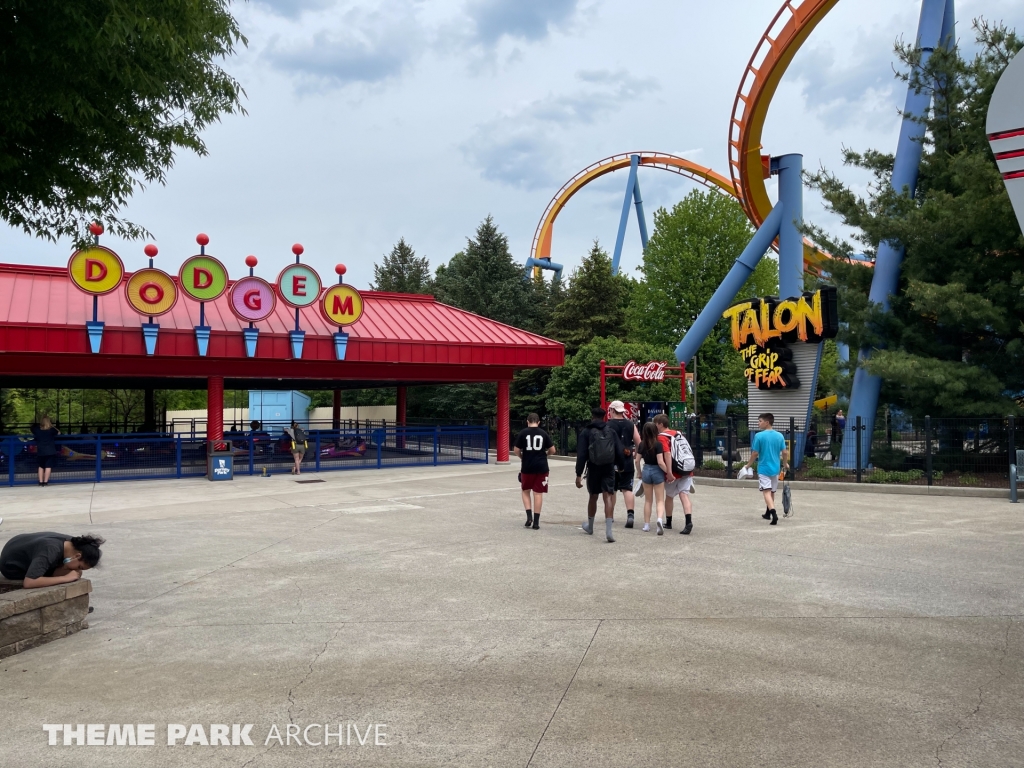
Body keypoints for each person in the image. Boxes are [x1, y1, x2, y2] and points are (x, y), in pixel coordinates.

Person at [575, 407, 624, 543]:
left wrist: (578, 474)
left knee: (593, 496)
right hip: (609, 467)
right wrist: (620, 466)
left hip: (593, 467)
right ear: (604, 417)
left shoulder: (586, 432)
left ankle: (590, 527)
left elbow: (582, 454)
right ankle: (609, 531)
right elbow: (619, 450)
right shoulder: (611, 431)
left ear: (592, 417)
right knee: (608, 496)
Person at [737, 413, 789, 525]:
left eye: (760, 421)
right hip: (775, 468)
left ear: (767, 422)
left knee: (766, 492)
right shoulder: (780, 435)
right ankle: (767, 513)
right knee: (772, 491)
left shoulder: (759, 436)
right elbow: (785, 452)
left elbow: (755, 453)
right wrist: (785, 464)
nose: (758, 423)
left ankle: (773, 513)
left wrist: (748, 465)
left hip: (764, 468)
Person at [0, 532, 104, 589]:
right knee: (70, 575)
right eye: (79, 567)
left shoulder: (73, 543)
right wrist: (65, 578)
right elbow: (29, 582)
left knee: (73, 574)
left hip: (20, 545)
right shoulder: (50, 550)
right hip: (11, 566)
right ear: (77, 556)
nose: (78, 570)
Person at [654, 414, 695, 535]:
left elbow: (667, 454)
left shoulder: (661, 437)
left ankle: (668, 522)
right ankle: (688, 522)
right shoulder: (678, 433)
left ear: (660, 424)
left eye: (656, 424)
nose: (655, 426)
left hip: (674, 471)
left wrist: (669, 472)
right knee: (684, 495)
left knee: (669, 496)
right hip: (686, 468)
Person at [514, 413, 556, 529]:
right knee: (538, 493)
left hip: (527, 466)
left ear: (527, 421)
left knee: (525, 490)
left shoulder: (523, 433)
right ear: (538, 422)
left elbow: (516, 450)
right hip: (541, 466)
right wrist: (546, 454)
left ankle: (529, 517)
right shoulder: (543, 433)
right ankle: (536, 522)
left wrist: (522, 457)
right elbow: (553, 450)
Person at [605, 401, 641, 529]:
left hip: (612, 461)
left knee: (611, 490)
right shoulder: (631, 424)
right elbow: (638, 442)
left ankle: (610, 516)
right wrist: (636, 454)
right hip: (627, 460)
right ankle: (630, 515)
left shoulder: (608, 425)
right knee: (627, 489)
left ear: (612, 410)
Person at [637, 422, 671, 535]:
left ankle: (646, 525)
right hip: (657, 471)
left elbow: (637, 460)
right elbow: (660, 462)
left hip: (646, 470)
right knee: (660, 500)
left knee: (648, 500)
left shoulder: (641, 444)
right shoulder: (658, 444)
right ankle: (659, 520)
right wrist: (668, 472)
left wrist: (639, 473)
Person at [30, 415, 60, 486]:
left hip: (41, 450)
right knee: (48, 466)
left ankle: (40, 482)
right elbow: (58, 432)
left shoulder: (37, 430)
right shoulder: (51, 430)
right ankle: (45, 482)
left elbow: (32, 428)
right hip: (50, 450)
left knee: (41, 466)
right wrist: (52, 426)